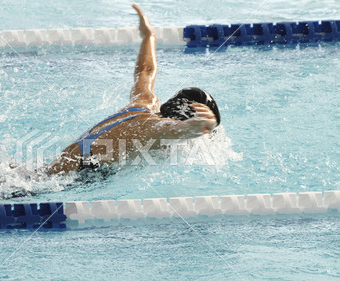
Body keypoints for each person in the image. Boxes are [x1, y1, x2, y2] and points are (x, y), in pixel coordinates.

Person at [47, 4, 220, 175]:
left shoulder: (145, 102)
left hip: (56, 170)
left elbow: (145, 70)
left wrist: (149, 36)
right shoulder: (153, 128)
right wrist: (201, 127)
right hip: (56, 184)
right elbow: (177, 130)